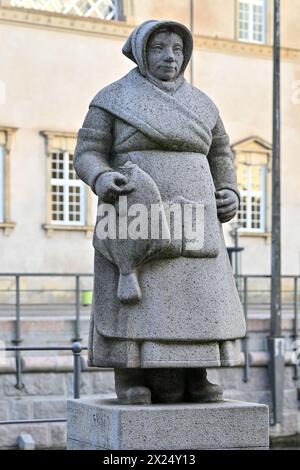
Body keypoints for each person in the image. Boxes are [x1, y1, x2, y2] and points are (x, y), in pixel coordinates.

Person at [74, 20, 246, 405]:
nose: (170, 56)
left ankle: (196, 374)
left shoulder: (203, 104)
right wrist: (101, 177)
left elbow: (221, 154)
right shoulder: (113, 98)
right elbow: (87, 151)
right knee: (141, 299)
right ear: (140, 51)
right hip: (135, 210)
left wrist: (229, 190)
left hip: (196, 214)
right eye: (159, 48)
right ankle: (131, 376)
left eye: (177, 49)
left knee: (197, 296)